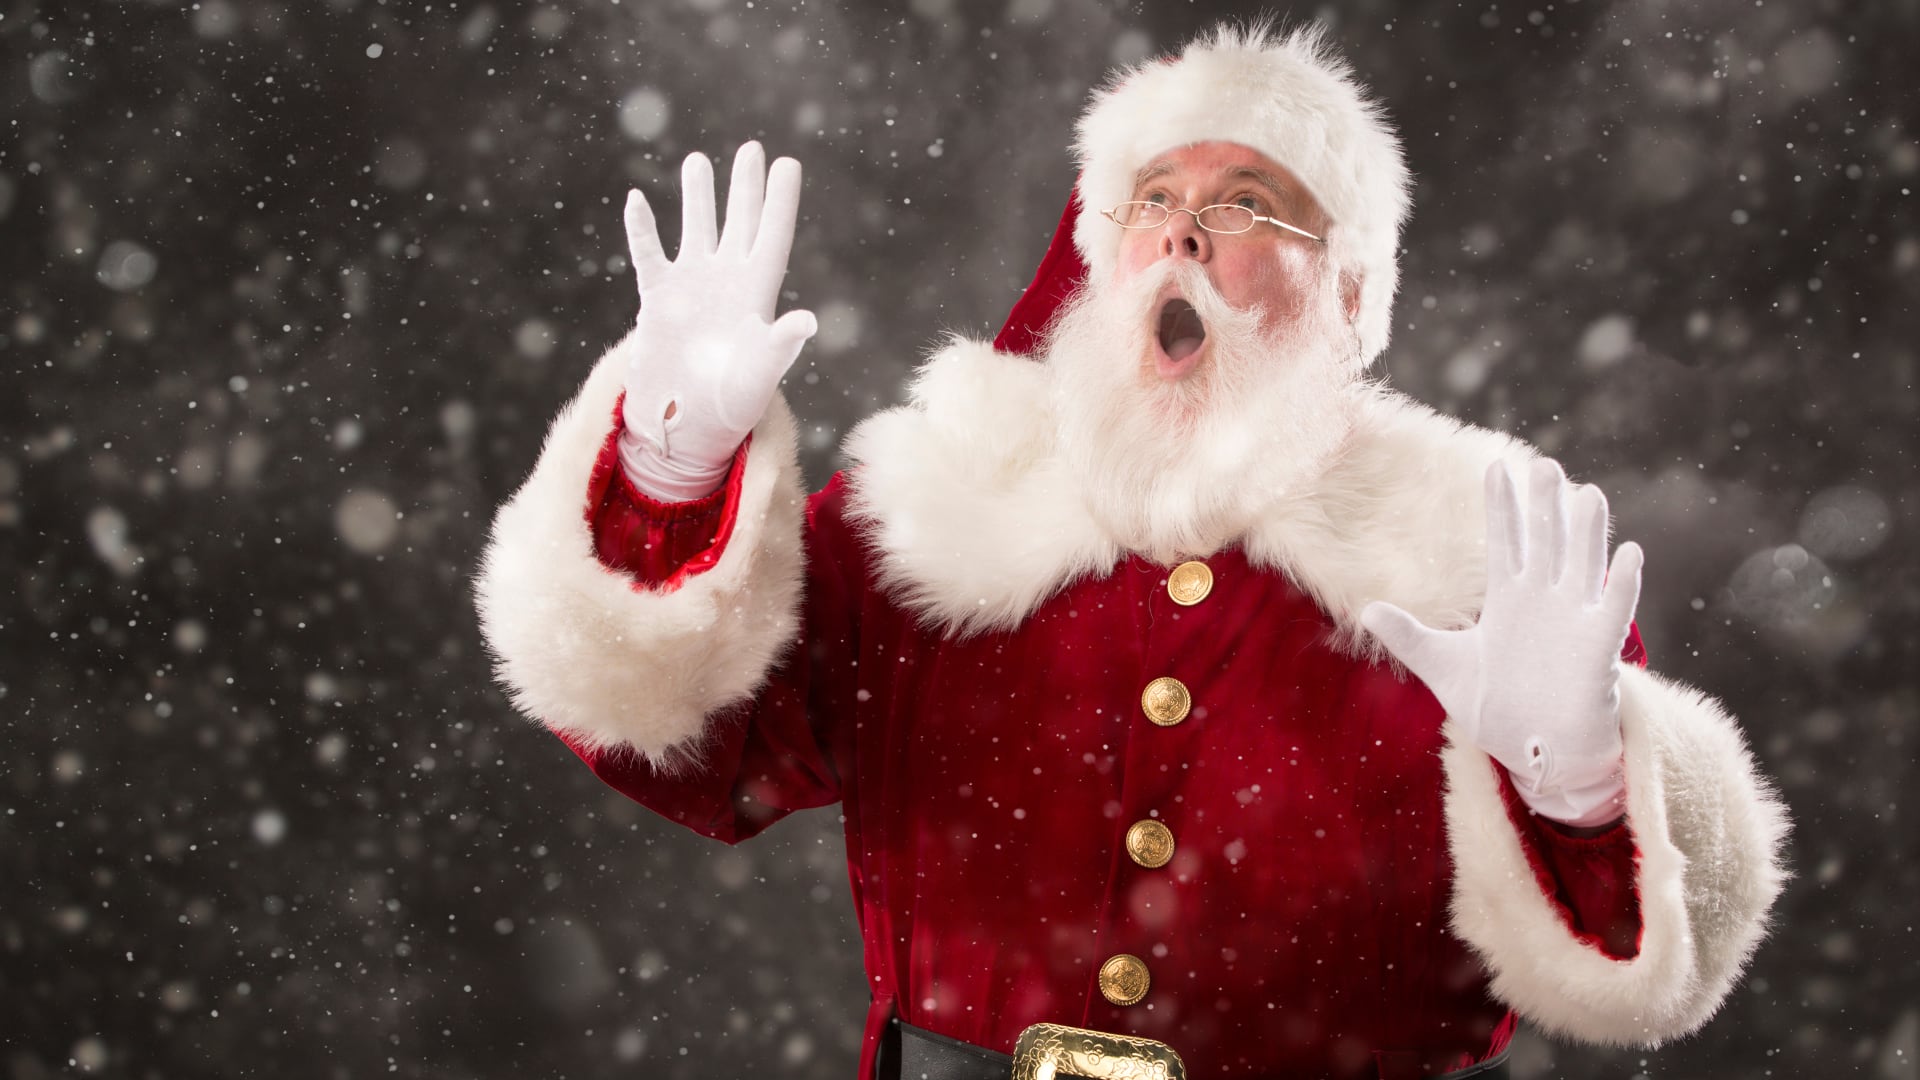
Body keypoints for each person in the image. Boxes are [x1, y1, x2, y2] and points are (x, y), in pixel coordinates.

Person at [475, 23, 1788, 1080]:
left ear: (1350, 292)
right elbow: (691, 750)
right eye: (1153, 199)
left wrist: (1578, 792)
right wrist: (666, 472)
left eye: (1248, 203)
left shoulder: (1482, 554)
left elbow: (1635, 971)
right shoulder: (935, 514)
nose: (1183, 229)